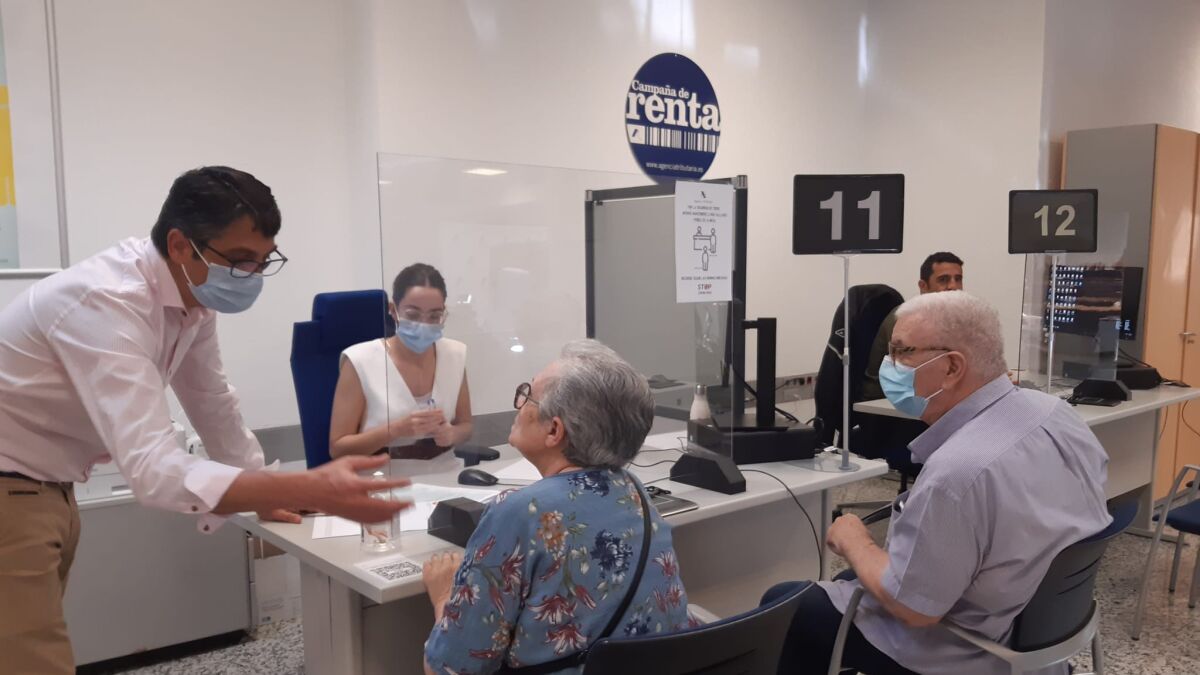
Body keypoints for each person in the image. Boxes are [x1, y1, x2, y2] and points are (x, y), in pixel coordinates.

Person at [0, 166, 412, 673]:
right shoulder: (108, 301)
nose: (252, 276)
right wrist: (290, 487)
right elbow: (151, 469)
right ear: (180, 245)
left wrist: (264, 488)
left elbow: (212, 400)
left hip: (47, 486)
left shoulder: (190, 299)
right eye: (239, 260)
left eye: (264, 261)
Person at [763, 292, 1110, 675]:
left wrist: (854, 541)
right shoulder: (1057, 413)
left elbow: (914, 609)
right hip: (1037, 637)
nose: (888, 365)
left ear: (952, 368)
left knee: (787, 605)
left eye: (902, 352)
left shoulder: (957, 474)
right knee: (849, 581)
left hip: (968, 651)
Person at [421, 340, 692, 674]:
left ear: (554, 430)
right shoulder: (635, 491)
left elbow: (449, 670)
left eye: (528, 396)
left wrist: (443, 595)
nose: (519, 404)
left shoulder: (520, 512)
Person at [328, 263, 473, 476]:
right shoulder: (360, 361)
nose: (424, 324)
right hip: (382, 478)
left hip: (446, 473)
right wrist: (396, 430)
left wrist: (452, 434)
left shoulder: (454, 355)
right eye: (413, 315)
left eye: (434, 316)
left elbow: (466, 425)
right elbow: (338, 449)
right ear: (393, 310)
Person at [862, 251, 964, 401]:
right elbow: (915, 374)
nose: (953, 286)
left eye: (958, 279)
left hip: (928, 397)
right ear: (923, 286)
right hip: (886, 404)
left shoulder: (957, 318)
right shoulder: (906, 319)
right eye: (943, 280)